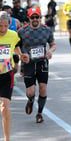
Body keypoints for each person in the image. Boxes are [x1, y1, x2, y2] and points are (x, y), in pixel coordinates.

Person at [17, 7, 56, 123]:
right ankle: (30, 100)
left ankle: (39, 113)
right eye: (32, 17)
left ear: (40, 18)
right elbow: (16, 46)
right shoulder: (22, 31)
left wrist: (50, 51)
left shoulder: (47, 30)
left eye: (37, 17)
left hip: (42, 63)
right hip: (28, 64)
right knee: (31, 92)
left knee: (43, 88)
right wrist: (21, 55)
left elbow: (53, 44)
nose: (35, 19)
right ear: (28, 18)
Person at [0, 11, 29, 141]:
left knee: (5, 108)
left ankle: (7, 139)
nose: (3, 29)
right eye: (0, 26)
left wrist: (20, 55)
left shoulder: (12, 35)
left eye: (6, 26)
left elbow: (15, 46)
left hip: (7, 75)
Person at [3, 5, 21, 74]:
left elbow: (20, 32)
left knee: (15, 69)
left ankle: (11, 78)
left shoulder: (16, 21)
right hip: (3, 48)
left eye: (9, 13)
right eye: (6, 14)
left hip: (13, 48)